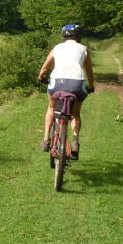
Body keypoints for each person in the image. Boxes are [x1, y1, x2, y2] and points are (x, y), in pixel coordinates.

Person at [37, 23, 95, 159]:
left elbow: (45, 68)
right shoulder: (84, 49)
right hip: (77, 84)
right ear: (79, 36)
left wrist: (40, 77)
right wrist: (91, 86)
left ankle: (46, 139)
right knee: (75, 114)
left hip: (57, 83)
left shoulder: (57, 48)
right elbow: (89, 72)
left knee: (51, 108)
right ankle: (75, 142)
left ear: (64, 36)